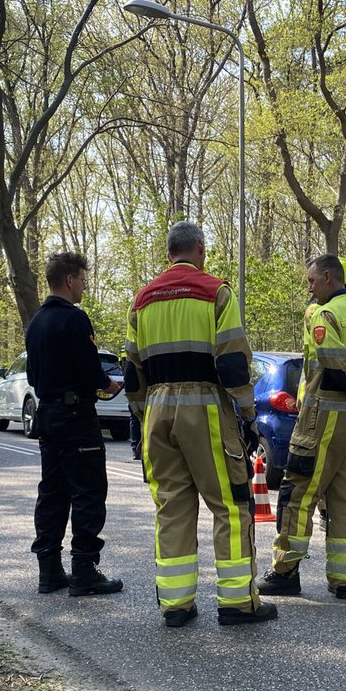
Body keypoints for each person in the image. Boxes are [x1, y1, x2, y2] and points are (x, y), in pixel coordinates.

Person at [124, 221, 277, 628]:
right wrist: (247, 416)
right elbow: (231, 363)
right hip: (206, 408)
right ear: (201, 249)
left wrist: (142, 418)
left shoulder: (142, 299)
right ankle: (237, 603)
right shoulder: (216, 292)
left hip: (157, 410)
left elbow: (132, 371)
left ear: (170, 252)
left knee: (172, 507)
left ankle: (176, 605)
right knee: (230, 504)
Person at [261, 254, 346, 599]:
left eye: (311, 280)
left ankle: (284, 571)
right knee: (345, 496)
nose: (309, 286)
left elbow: (333, 366)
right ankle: (345, 578)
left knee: (300, 490)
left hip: (325, 416)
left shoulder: (325, 314)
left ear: (329, 278)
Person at [26, 250, 124, 597]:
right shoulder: (75, 319)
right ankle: (84, 568)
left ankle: (49, 570)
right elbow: (90, 371)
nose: (84, 286)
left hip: (48, 414)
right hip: (76, 416)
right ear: (69, 280)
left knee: (52, 492)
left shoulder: (36, 322)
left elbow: (33, 374)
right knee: (88, 490)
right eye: (82, 279)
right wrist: (109, 384)